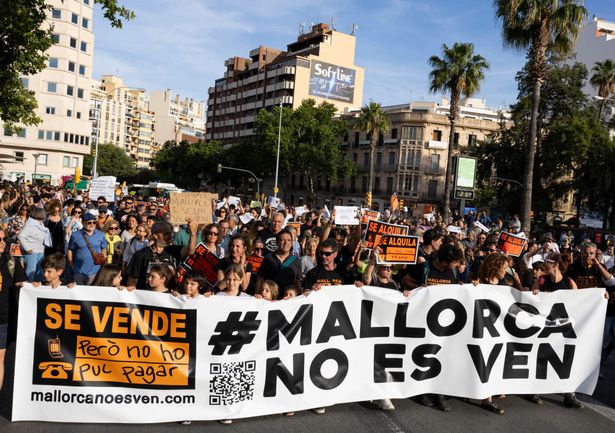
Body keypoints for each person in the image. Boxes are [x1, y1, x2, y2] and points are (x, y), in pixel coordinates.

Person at [532, 252, 583, 408]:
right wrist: (534, 293)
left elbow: (581, 302)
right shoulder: (541, 280)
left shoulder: (569, 282)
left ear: (555, 264)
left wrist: (602, 297)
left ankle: (569, 394)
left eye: (546, 261)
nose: (544, 264)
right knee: (540, 357)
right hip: (544, 328)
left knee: (567, 358)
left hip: (562, 329)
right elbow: (532, 299)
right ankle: (533, 390)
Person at [126, 220, 198, 291]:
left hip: (170, 298)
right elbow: (132, 282)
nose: (170, 236)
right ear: (156, 236)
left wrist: (193, 233)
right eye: (166, 234)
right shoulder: (141, 255)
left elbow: (190, 252)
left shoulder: (173, 250)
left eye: (171, 233)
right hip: (148, 299)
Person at [0, 228, 27, 390]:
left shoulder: (11, 261)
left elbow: (21, 283)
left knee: (0, 358)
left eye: (4, 239)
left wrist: (35, 287)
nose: (2, 243)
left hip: (3, 318)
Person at [257, 230, 301, 298]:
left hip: (288, 300)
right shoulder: (268, 259)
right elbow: (260, 279)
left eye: (288, 240)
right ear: (277, 242)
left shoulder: (296, 260)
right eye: (282, 240)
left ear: (292, 243)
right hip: (270, 299)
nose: (286, 243)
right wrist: (257, 295)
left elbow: (298, 282)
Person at [67, 213, 107, 285]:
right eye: (89, 222)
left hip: (95, 271)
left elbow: (104, 248)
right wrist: (71, 265)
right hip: (79, 271)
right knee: (79, 293)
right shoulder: (75, 235)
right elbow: (70, 250)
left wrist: (103, 260)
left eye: (94, 222)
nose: (92, 224)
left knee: (92, 293)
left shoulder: (101, 235)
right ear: (83, 223)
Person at [18, 207, 51, 281]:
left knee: (40, 271)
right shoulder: (30, 224)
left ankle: (38, 288)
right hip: (32, 252)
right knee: (31, 272)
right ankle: (28, 288)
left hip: (40, 251)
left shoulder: (40, 224)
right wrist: (28, 248)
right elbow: (21, 236)